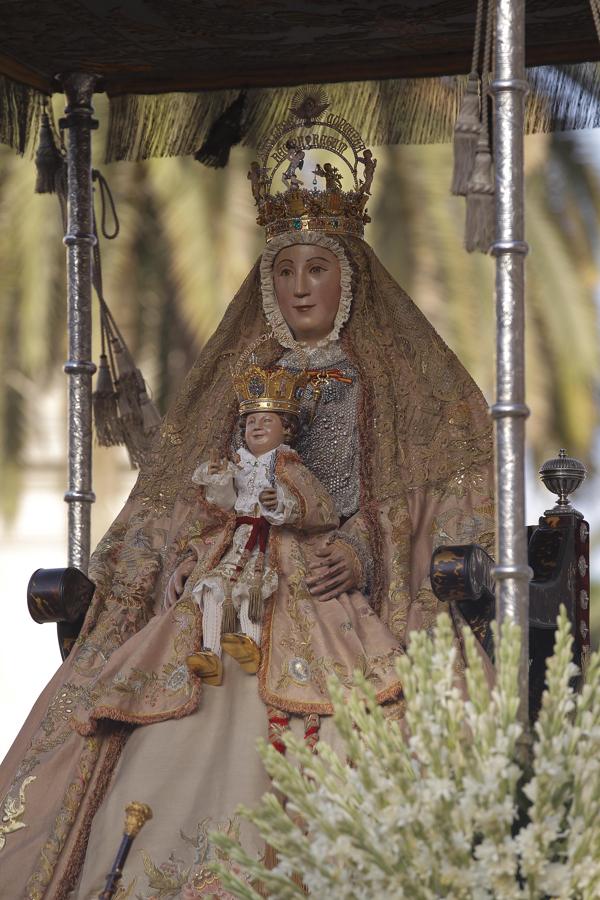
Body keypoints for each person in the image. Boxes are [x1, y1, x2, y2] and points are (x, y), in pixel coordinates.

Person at [0, 96, 494, 898]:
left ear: (350, 277)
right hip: (227, 600)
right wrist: (196, 551)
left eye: (318, 268)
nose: (301, 288)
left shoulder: (390, 385)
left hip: (331, 601)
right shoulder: (244, 383)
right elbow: (199, 492)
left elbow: (400, 501)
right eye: (286, 271)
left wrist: (359, 546)